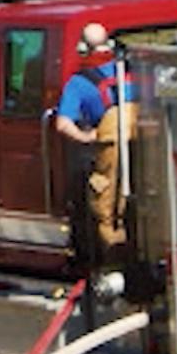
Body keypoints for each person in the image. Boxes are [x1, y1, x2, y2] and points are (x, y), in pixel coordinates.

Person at [54, 22, 137, 282]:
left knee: (104, 207)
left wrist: (87, 137)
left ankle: (110, 266)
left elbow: (62, 123)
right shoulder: (132, 72)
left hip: (108, 154)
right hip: (144, 147)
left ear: (82, 49)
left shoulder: (79, 83)